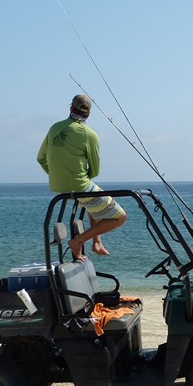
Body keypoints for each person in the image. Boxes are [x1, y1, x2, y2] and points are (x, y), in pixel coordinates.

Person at [37, 94, 127, 261]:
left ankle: (97, 241)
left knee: (93, 198)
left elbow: (40, 158)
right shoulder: (89, 134)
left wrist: (57, 176)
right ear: (88, 114)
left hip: (57, 186)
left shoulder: (54, 128)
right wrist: (77, 178)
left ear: (70, 108)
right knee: (120, 217)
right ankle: (78, 241)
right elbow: (95, 169)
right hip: (78, 185)